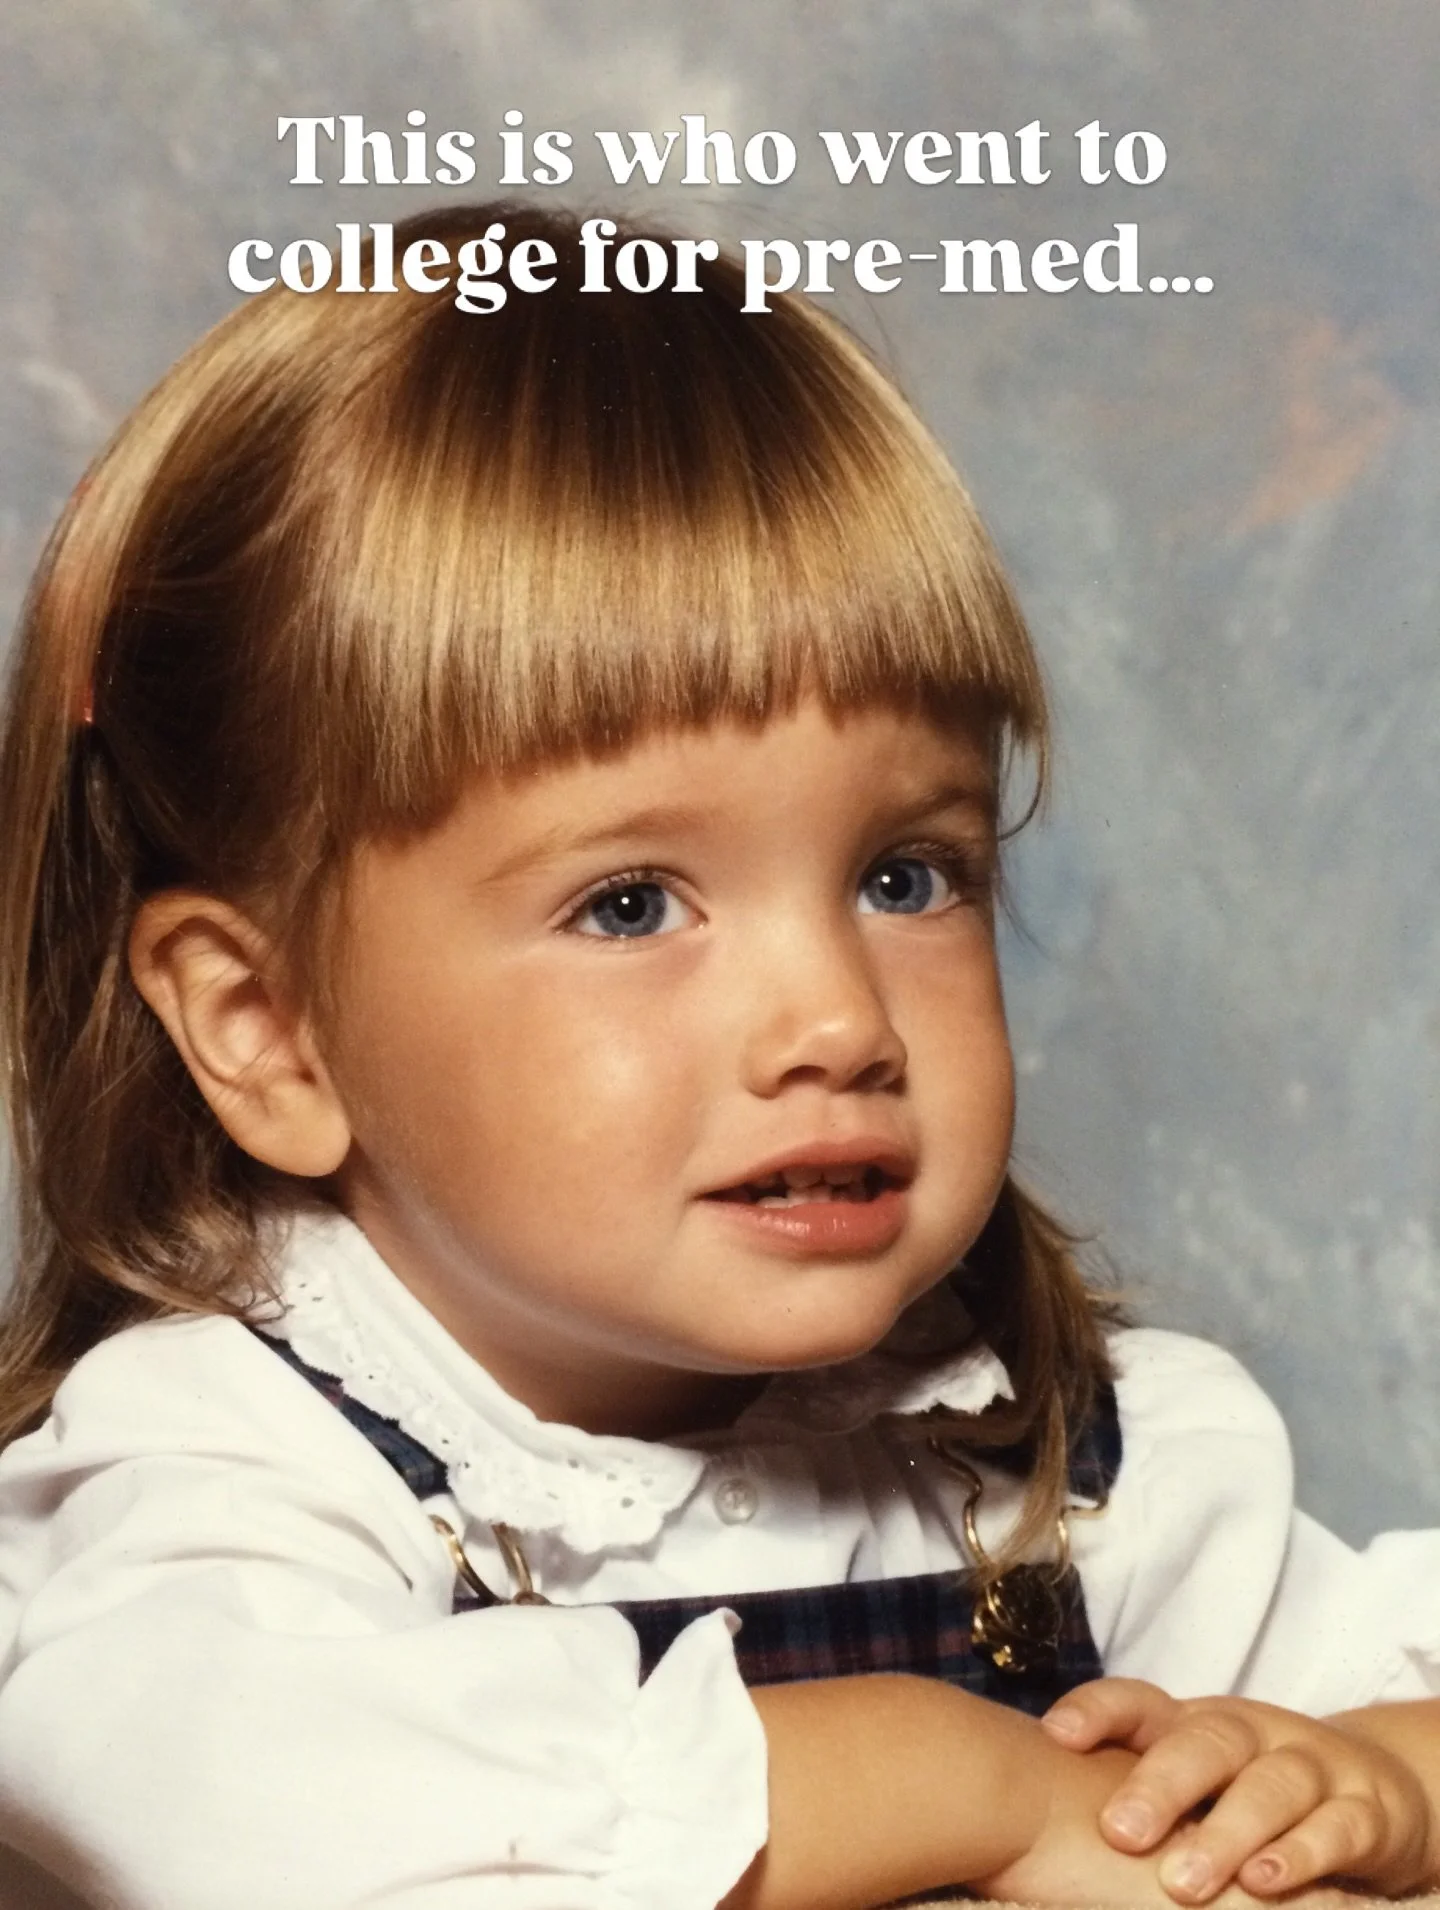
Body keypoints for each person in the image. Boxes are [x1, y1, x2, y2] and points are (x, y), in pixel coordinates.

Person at [0, 202, 1434, 1910]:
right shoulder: (221, 1481)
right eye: (627, 903)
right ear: (268, 1028)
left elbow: (1381, 1711)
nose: (838, 1019)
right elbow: (266, 1826)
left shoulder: (1081, 1467)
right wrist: (981, 1787)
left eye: (908, 875)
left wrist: (1365, 1784)